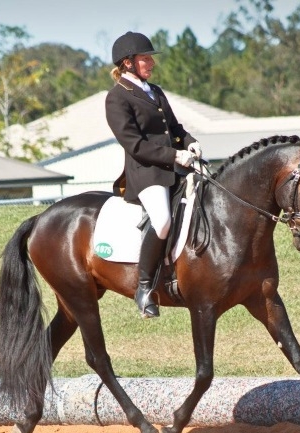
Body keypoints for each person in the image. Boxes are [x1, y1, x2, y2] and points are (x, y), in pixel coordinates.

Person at [105, 31, 202, 318]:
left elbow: (174, 127)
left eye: (149, 58)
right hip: (145, 174)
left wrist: (189, 142)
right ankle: (145, 288)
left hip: (175, 167)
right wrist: (175, 155)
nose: (151, 63)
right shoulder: (117, 98)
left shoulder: (154, 91)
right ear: (127, 63)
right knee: (162, 222)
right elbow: (135, 145)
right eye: (145, 58)